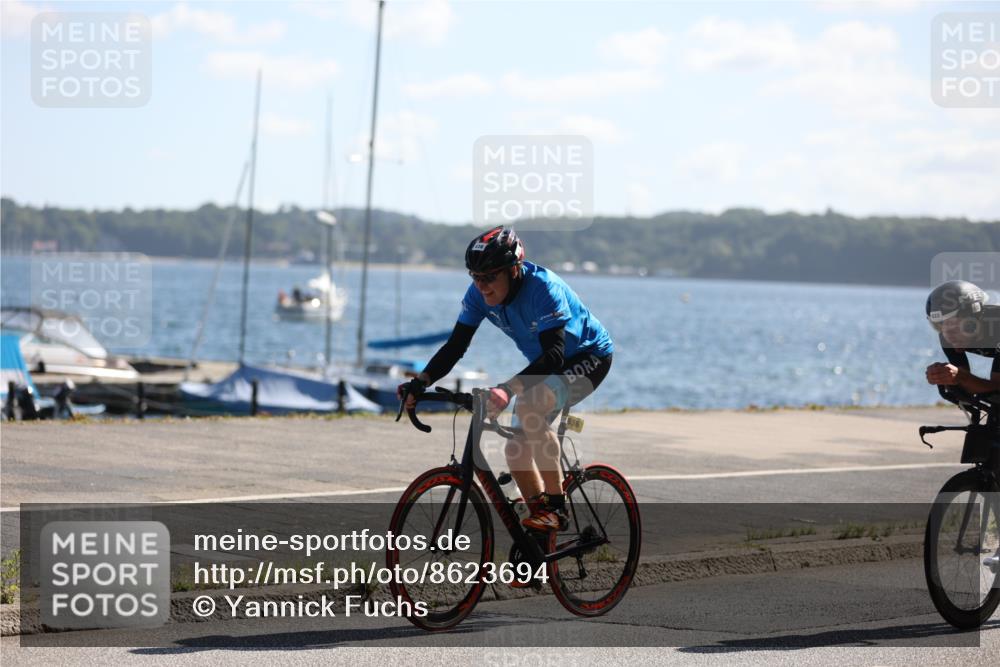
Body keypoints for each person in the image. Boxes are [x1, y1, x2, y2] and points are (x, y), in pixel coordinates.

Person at [398, 226, 614, 531]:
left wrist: (506, 390)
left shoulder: (543, 288)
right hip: (547, 367)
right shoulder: (477, 295)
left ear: (513, 270)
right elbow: (456, 346)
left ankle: (556, 508)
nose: (482, 286)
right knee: (515, 448)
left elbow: (553, 355)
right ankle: (538, 541)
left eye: (489, 277)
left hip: (589, 357)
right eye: (475, 276)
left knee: (529, 407)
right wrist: (420, 383)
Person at [926, 280, 1000, 394]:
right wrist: (943, 376)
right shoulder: (947, 336)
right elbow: (965, 386)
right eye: (941, 326)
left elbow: (996, 388)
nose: (949, 335)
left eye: (955, 326)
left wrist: (961, 377)